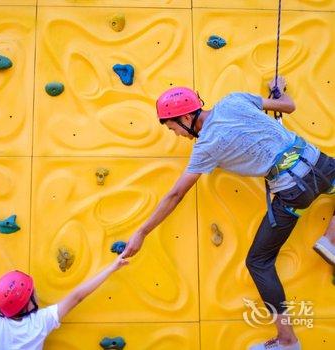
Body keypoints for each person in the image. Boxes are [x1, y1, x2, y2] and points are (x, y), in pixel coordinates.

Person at [121, 77, 335, 350]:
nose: (176, 134)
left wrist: (141, 231)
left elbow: (175, 195)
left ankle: (287, 340)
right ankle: (331, 239)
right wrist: (278, 93)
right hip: (322, 165)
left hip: (295, 192)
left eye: (173, 127)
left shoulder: (206, 147)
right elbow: (289, 106)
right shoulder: (234, 99)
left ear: (186, 117)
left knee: (259, 262)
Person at [0, 254, 128, 350]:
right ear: (27, 303)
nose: (36, 292)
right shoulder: (39, 323)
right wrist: (111, 268)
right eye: (32, 292)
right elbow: (77, 296)